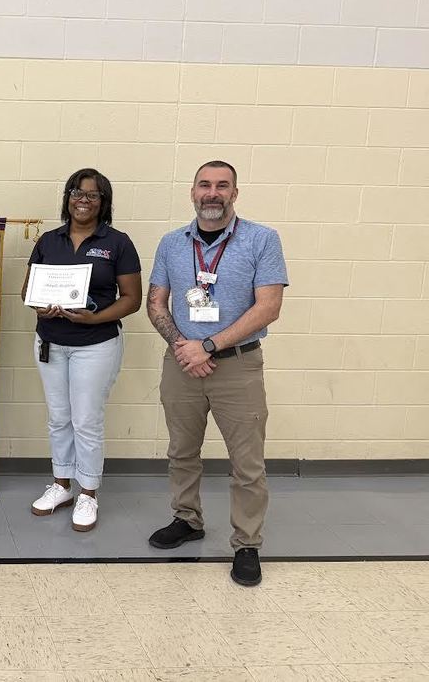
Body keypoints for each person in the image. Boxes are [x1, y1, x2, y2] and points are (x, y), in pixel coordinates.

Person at [146, 160, 287, 587]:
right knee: (182, 451)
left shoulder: (262, 239)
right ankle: (187, 519)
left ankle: (247, 543)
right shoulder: (172, 243)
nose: (212, 193)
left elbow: (269, 306)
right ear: (192, 192)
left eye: (222, 186)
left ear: (234, 194)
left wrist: (208, 345)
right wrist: (183, 348)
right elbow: (156, 303)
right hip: (181, 363)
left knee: (247, 463)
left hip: (238, 365)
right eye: (204, 185)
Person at [22, 169, 142, 532]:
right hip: (50, 343)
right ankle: (61, 486)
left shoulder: (118, 242)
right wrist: (38, 306)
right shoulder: (49, 240)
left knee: (85, 420)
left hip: (96, 344)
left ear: (103, 202)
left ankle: (88, 492)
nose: (83, 199)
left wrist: (94, 319)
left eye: (93, 194)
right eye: (77, 192)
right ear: (67, 198)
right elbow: (28, 290)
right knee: (59, 417)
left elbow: (132, 299)